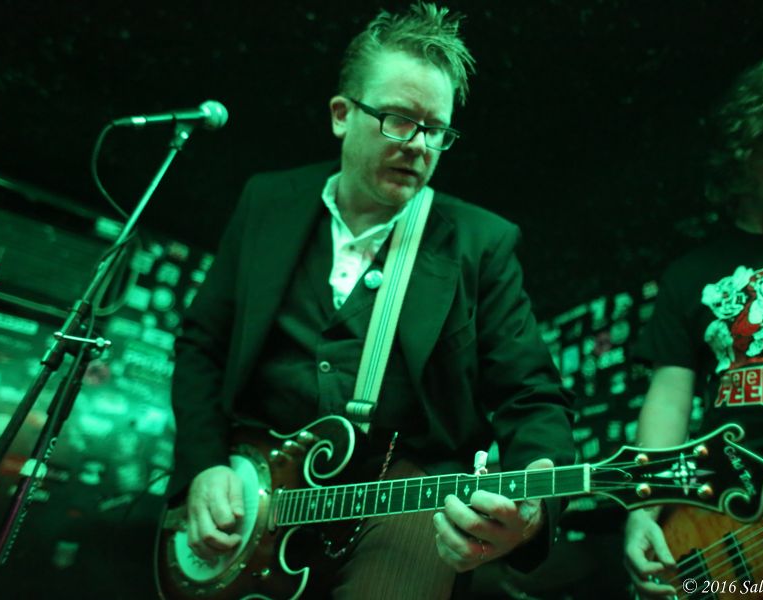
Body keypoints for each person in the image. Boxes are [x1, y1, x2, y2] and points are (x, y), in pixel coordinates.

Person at [168, 3, 575, 598]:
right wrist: (202, 467)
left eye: (435, 130)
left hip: (403, 499)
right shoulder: (266, 203)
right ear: (342, 115)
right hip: (253, 492)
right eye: (398, 120)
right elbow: (202, 344)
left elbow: (532, 396)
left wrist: (534, 508)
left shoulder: (481, 244)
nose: (419, 145)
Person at [624, 30, 763, 598]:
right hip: (731, 519)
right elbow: (669, 400)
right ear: (740, 158)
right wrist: (644, 507)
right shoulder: (691, 273)